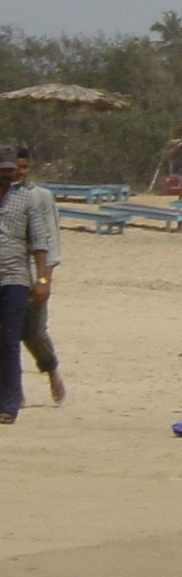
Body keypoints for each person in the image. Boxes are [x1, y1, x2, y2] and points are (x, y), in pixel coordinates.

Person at [0, 147, 55, 427]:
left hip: (14, 279)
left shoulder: (27, 200)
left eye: (12, 169)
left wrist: (43, 279)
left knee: (8, 342)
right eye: (5, 169)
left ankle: (8, 404)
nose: (9, 174)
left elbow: (39, 242)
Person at [12, 148, 65, 405]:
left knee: (33, 332)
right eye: (14, 167)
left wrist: (45, 278)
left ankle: (51, 370)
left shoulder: (40, 197)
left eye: (23, 167)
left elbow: (50, 238)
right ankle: (13, 389)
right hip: (7, 273)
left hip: (33, 274)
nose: (19, 172)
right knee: (6, 333)